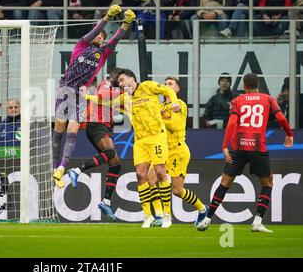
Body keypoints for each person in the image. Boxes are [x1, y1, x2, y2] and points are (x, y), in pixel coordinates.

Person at [197, 73, 294, 232]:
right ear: (258, 85)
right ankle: (257, 221)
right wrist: (289, 134)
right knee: (267, 183)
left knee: (225, 182)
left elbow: (232, 123)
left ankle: (207, 220)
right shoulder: (268, 99)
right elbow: (281, 119)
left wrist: (224, 146)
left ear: (244, 86)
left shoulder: (236, 100)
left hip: (239, 148)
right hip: (257, 147)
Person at [52, 5, 136, 190]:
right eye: (98, 35)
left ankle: (61, 169)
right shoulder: (82, 45)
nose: (100, 37)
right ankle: (54, 167)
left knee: (72, 132)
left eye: (102, 37)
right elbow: (96, 30)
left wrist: (126, 24)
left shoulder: (102, 54)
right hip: (64, 90)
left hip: (80, 94)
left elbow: (115, 40)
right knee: (59, 132)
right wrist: (107, 17)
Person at [84, 69, 180, 228]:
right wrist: (86, 96)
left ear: (131, 78)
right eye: (119, 82)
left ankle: (167, 215)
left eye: (121, 80)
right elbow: (104, 101)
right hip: (140, 140)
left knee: (160, 171)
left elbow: (168, 89)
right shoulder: (125, 98)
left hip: (157, 136)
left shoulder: (148, 87)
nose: (120, 84)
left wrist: (174, 100)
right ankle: (147, 216)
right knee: (140, 175)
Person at [66, 68, 124, 221]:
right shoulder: (107, 84)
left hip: (103, 126)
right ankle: (77, 170)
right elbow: (104, 96)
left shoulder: (117, 91)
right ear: (114, 77)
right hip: (96, 124)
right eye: (120, 78)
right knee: (111, 153)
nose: (121, 80)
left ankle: (106, 202)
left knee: (116, 164)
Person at [160, 77, 208, 228]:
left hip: (177, 150)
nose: (166, 86)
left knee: (177, 190)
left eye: (170, 84)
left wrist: (157, 119)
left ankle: (202, 208)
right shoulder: (159, 107)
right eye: (165, 83)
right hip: (162, 150)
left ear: (177, 89)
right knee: (150, 178)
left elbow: (174, 125)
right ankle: (160, 216)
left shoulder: (179, 105)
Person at [0, 99, 21, 218]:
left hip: (20, 165)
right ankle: (2, 212)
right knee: (3, 190)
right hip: (4, 164)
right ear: (6, 110)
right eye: (10, 107)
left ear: (20, 108)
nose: (13, 109)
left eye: (16, 107)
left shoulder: (25, 125)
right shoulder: (1, 126)